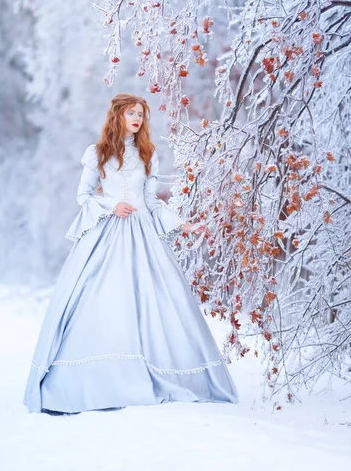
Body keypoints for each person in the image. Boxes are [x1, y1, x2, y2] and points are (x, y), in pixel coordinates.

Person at [23, 93, 238, 414]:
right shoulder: (97, 153)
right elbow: (83, 195)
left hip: (142, 236)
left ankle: (153, 369)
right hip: (106, 235)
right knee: (101, 298)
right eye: (131, 113)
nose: (137, 119)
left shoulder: (148, 155)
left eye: (141, 114)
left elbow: (151, 203)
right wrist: (112, 205)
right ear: (117, 116)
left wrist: (184, 225)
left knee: (153, 299)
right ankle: (92, 378)